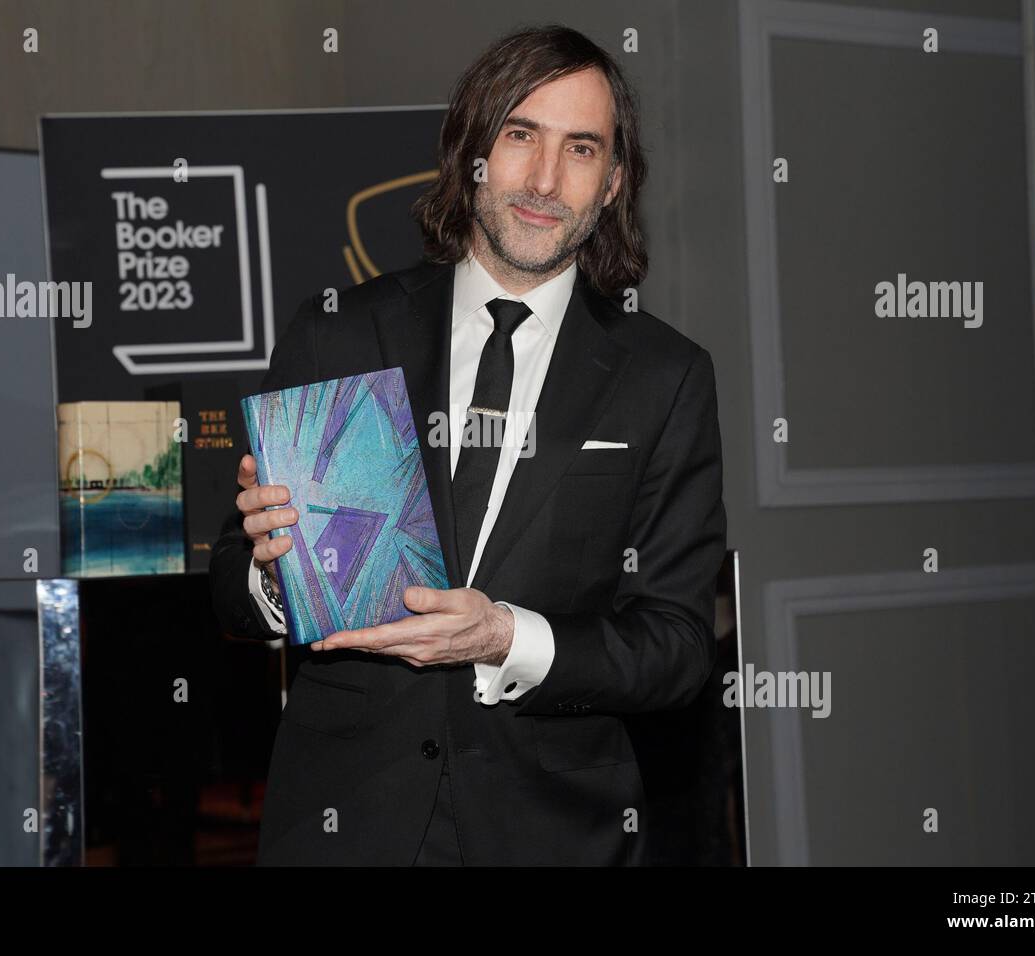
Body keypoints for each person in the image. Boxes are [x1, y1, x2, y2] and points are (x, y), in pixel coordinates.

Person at [209, 23, 726, 865]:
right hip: (342, 831)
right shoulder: (339, 332)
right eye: (520, 135)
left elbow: (676, 647)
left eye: (582, 149)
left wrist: (504, 637)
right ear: (470, 149)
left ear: (612, 185)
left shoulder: (663, 377)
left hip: (557, 834)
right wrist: (273, 573)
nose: (546, 179)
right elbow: (229, 581)